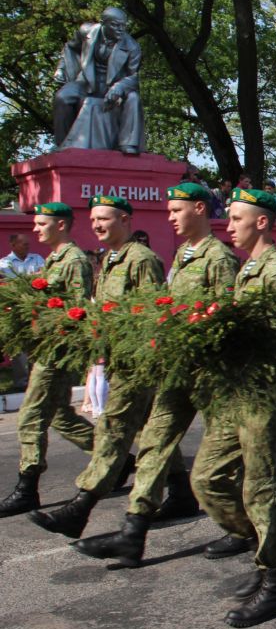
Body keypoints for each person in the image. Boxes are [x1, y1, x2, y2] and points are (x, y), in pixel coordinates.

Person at [72, 182, 239, 567]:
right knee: (154, 441)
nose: (170, 217)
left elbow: (228, 318)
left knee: (227, 453)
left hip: (210, 373)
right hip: (177, 369)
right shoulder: (183, 253)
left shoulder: (219, 257)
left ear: (200, 209)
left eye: (177, 210)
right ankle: (133, 532)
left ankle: (242, 525)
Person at [186, 187, 276, 627]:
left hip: (264, 394)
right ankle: (264, 549)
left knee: (260, 487)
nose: (229, 225)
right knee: (206, 478)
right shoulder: (248, 268)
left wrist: (235, 335)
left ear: (261, 222)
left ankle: (275, 583)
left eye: (236, 218)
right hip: (236, 391)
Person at [28, 195, 165, 540]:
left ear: (125, 220)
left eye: (104, 218)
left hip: (135, 363)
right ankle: (180, 490)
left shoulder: (141, 259)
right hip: (116, 358)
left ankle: (80, 508)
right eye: (93, 220)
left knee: (112, 429)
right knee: (149, 432)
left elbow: (151, 312)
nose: (97, 225)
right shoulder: (110, 259)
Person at [0, 204, 95, 519]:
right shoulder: (53, 260)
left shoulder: (74, 260)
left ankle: (27, 490)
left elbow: (77, 310)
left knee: (30, 416)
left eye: (42, 224)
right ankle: (115, 460)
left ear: (61, 225)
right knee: (59, 416)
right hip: (46, 348)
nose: (36, 229)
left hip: (57, 351)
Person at [52, 6, 144, 153]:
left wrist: (119, 87)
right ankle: (62, 144)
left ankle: (127, 144)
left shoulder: (132, 47)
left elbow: (133, 76)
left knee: (133, 97)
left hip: (112, 87)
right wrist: (61, 68)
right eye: (115, 25)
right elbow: (70, 47)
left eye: (123, 25)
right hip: (86, 82)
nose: (120, 29)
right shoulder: (86, 31)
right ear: (103, 23)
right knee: (62, 97)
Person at [0, 233, 45, 390]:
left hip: (35, 308)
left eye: (28, 243)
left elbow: (43, 276)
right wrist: (30, 279)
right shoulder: (4, 264)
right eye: (24, 244)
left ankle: (37, 379)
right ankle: (21, 381)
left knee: (36, 343)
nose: (27, 246)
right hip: (15, 309)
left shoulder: (37, 259)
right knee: (18, 346)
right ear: (13, 245)